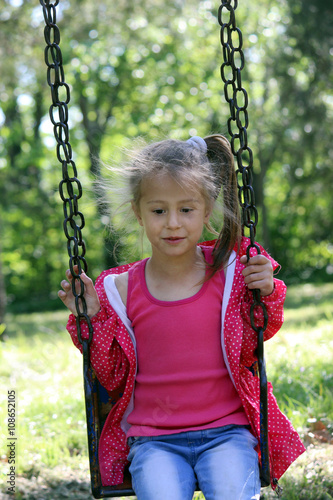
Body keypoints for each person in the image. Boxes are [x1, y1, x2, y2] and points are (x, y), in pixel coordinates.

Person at [58, 135, 305, 500]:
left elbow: (260, 333)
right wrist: (91, 319)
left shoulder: (232, 274)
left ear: (206, 212)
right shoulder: (119, 290)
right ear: (138, 212)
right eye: (159, 211)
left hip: (227, 432)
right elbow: (110, 374)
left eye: (186, 210)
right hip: (155, 441)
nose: (173, 223)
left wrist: (265, 290)